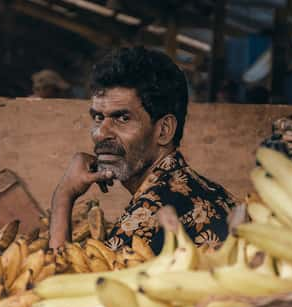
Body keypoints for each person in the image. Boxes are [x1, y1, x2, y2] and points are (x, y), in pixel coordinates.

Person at [50, 47, 236, 254]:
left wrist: (64, 196)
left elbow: (57, 277)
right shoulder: (211, 192)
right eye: (98, 118)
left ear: (164, 130)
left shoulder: (148, 218)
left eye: (122, 118)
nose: (101, 134)